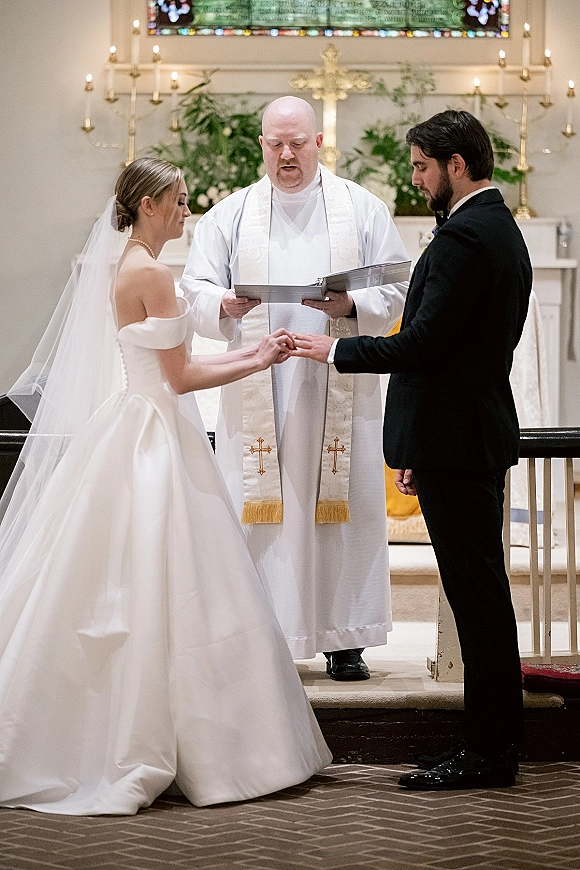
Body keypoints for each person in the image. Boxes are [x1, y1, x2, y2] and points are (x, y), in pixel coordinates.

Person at [0, 157, 331, 815]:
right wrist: (253, 361)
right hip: (152, 432)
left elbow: (170, 366)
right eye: (179, 202)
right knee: (172, 577)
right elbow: (179, 378)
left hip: (136, 420)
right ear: (148, 204)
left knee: (128, 578)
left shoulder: (127, 263)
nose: (186, 213)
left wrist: (257, 353)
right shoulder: (149, 271)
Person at [291, 110, 532, 790]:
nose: (417, 177)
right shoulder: (496, 228)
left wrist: (332, 347)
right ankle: (488, 742)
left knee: (478, 600)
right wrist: (413, 442)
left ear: (457, 165)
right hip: (457, 437)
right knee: (477, 596)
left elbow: (422, 344)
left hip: (459, 442)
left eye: (423, 165)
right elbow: (451, 353)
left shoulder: (465, 238)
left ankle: (488, 753)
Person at [180, 96, 408, 679]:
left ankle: (344, 637)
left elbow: (400, 288)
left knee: (343, 506)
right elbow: (194, 289)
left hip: (338, 385)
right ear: (262, 144)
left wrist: (351, 302)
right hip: (261, 388)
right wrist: (224, 303)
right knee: (261, 511)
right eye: (275, 144)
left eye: (297, 144)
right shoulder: (229, 215)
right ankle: (260, 632)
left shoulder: (362, 209)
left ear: (318, 143)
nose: (286, 155)